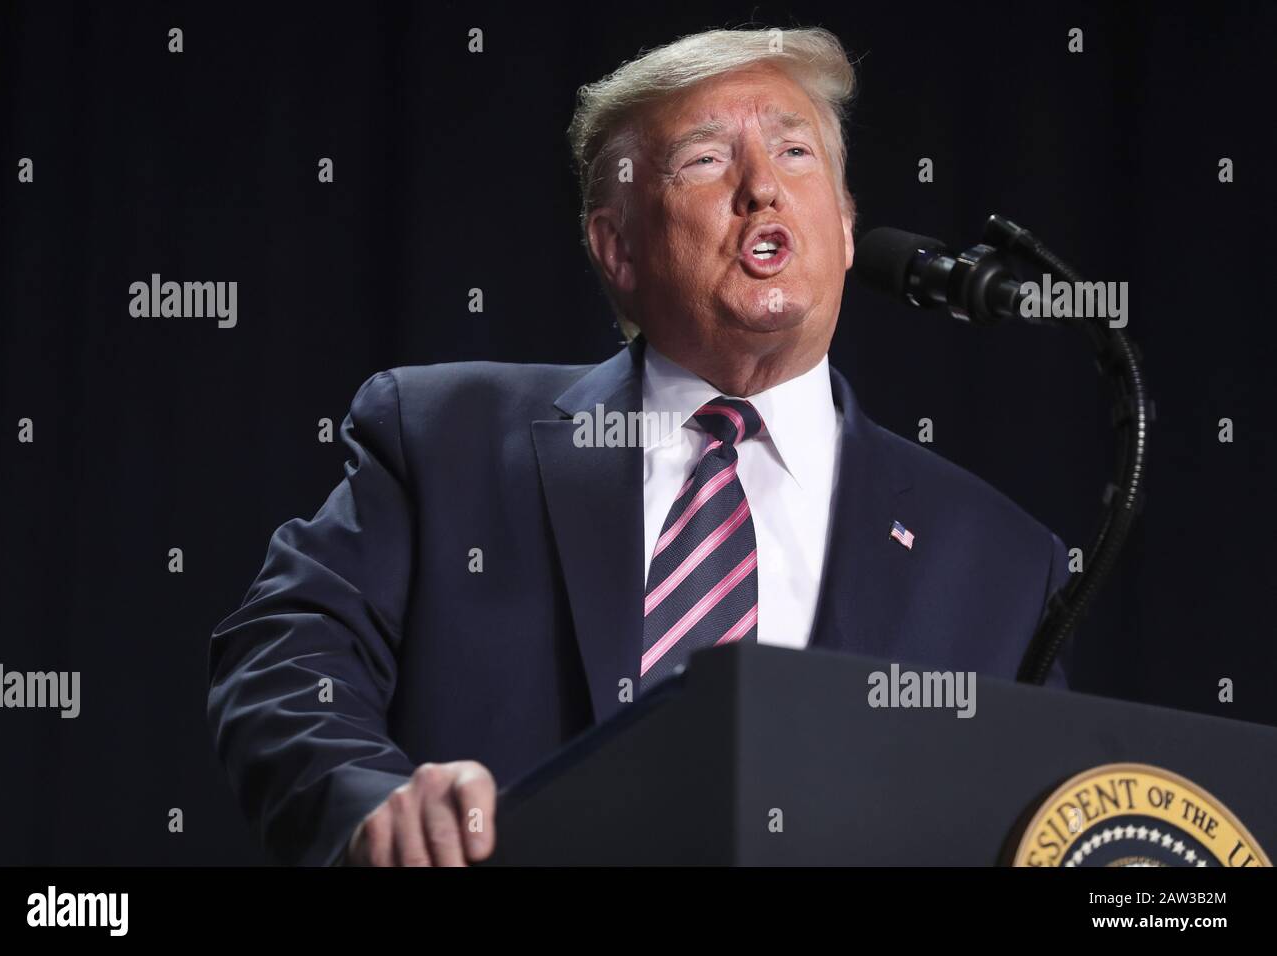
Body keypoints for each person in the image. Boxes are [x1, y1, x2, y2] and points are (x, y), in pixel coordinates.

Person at [207, 26, 1072, 868]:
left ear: (846, 230)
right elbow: (285, 656)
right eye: (705, 160)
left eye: (796, 153)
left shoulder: (998, 562)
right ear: (617, 248)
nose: (762, 189)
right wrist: (372, 806)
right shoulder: (443, 440)